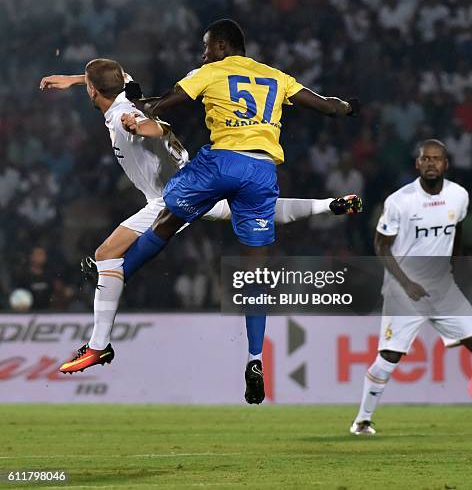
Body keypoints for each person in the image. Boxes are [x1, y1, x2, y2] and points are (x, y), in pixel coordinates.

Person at [41, 55, 362, 395]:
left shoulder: (124, 115)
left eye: (87, 86)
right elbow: (113, 75)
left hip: (169, 196)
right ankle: (329, 205)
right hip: (197, 183)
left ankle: (98, 344)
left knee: (106, 255)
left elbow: (157, 125)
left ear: (93, 93)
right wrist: (73, 79)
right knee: (246, 211)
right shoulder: (121, 93)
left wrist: (144, 125)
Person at [350, 139, 472, 435]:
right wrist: (407, 283)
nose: (431, 163)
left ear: (446, 164)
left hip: (442, 289)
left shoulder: (459, 196)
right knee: (390, 357)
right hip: (404, 291)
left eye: (437, 159)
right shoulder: (400, 201)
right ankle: (362, 420)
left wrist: (450, 267)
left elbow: (455, 230)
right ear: (417, 164)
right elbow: (381, 246)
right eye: (425, 159)